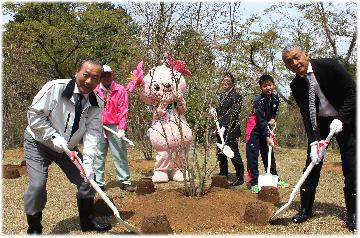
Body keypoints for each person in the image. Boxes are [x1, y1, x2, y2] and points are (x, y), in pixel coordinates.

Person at [23, 59, 111, 234]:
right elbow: (34, 115)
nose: (89, 81)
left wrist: (88, 161)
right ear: (76, 72)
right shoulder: (54, 88)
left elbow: (93, 134)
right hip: (39, 143)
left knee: (87, 180)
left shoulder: (97, 104)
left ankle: (87, 222)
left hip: (67, 149)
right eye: (85, 75)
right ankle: (34, 227)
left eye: (95, 78)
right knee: (37, 185)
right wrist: (53, 136)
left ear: (99, 80)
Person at [282, 43, 356, 231]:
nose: (295, 62)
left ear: (306, 54)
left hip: (346, 120)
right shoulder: (295, 84)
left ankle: (354, 212)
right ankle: (306, 208)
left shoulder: (330, 66)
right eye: (289, 61)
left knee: (351, 166)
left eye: (297, 57)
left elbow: (352, 92)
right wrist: (314, 140)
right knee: (312, 164)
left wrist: (341, 118)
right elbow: (307, 114)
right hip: (320, 124)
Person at [93, 65, 135, 192]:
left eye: (108, 74)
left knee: (119, 153)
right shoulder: (94, 90)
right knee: (98, 154)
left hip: (115, 126)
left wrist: (121, 128)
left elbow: (123, 110)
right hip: (98, 126)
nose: (106, 77)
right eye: (103, 75)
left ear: (112, 75)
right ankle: (98, 182)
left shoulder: (120, 90)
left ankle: (124, 180)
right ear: (99, 76)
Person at [245, 74, 289, 194]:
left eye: (270, 85)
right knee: (252, 156)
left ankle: (274, 178)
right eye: (265, 86)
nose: (268, 88)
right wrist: (267, 136)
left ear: (273, 85)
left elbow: (272, 114)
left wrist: (273, 119)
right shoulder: (258, 101)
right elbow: (260, 120)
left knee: (268, 153)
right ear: (261, 88)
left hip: (265, 128)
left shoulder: (276, 99)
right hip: (254, 129)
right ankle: (254, 182)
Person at [214, 72, 244, 187]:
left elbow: (234, 114)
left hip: (231, 130)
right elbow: (219, 113)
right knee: (221, 153)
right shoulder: (221, 96)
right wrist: (215, 126)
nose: (225, 82)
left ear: (232, 83)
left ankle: (240, 176)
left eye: (228, 80)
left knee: (233, 153)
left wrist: (224, 126)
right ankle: (223, 174)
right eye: (223, 80)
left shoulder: (236, 95)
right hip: (219, 130)